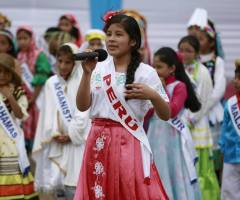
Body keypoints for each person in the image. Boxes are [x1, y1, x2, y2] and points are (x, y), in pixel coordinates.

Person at [74, 13, 170, 200]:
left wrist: (152, 95)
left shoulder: (146, 73)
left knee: (126, 189)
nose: (111, 39)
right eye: (109, 34)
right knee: (98, 190)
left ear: (133, 41)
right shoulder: (97, 68)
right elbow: (82, 105)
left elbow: (166, 114)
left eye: (119, 34)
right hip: (97, 140)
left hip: (128, 140)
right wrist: (86, 74)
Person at [32, 43, 90, 200]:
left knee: (76, 185)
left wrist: (71, 134)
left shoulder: (82, 81)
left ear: (75, 63)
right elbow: (47, 113)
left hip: (77, 142)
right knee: (57, 186)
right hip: (56, 141)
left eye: (68, 62)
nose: (63, 66)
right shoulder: (52, 83)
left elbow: (84, 112)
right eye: (60, 61)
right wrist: (54, 133)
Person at [148, 47, 202, 200]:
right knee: (157, 169)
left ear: (172, 68)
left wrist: (161, 88)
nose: (155, 70)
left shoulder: (179, 86)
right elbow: (149, 113)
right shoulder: (151, 86)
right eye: (153, 66)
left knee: (172, 170)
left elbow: (171, 112)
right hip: (154, 136)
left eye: (159, 67)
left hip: (172, 138)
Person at [178, 35, 220, 199]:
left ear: (196, 53)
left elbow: (204, 100)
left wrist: (190, 120)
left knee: (200, 167)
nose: (184, 54)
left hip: (196, 124)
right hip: (181, 123)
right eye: (181, 50)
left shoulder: (202, 72)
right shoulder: (177, 69)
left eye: (188, 51)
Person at [0, 53, 38, 199]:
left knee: (13, 174)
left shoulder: (18, 92)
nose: (2, 75)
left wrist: (9, 96)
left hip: (12, 141)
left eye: (6, 72)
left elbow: (20, 115)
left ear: (12, 74)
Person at [198, 19, 226, 182]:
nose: (198, 41)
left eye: (201, 39)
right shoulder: (193, 62)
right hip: (196, 112)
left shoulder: (217, 62)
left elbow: (219, 89)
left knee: (213, 151)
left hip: (212, 113)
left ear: (211, 43)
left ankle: (214, 183)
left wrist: (203, 107)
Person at [16, 25, 52, 153]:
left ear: (31, 38)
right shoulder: (18, 55)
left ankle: (36, 150)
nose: (22, 41)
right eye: (19, 38)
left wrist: (33, 98)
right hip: (21, 96)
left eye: (25, 38)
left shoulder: (39, 54)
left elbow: (41, 77)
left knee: (36, 121)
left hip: (37, 97)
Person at [219, 58, 240, 200]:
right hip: (231, 155)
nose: (235, 81)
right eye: (235, 77)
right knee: (228, 191)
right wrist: (222, 147)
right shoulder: (230, 103)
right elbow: (224, 129)